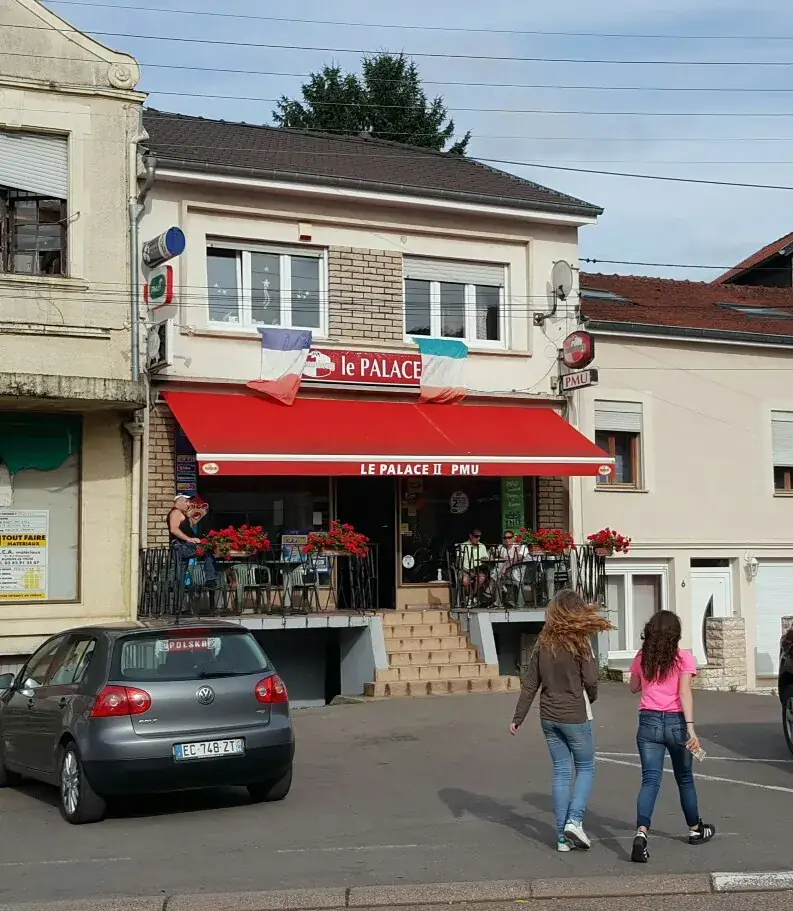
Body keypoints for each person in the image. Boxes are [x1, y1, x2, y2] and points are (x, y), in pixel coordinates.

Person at [510, 590, 612, 852]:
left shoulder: (543, 642)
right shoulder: (581, 641)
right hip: (575, 714)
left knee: (561, 772)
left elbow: (531, 683)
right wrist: (592, 695)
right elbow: (590, 679)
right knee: (587, 767)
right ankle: (575, 820)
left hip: (548, 715)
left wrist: (518, 717)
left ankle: (561, 837)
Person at [628, 610, 715, 863]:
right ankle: (695, 829)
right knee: (685, 778)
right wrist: (691, 729)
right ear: (675, 634)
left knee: (650, 780)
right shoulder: (684, 658)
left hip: (648, 722)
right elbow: (685, 693)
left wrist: (644, 679)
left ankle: (641, 833)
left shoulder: (642, 657)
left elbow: (634, 687)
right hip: (676, 722)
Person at [168, 494, 218, 588]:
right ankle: (210, 579)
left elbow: (191, 523)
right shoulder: (176, 512)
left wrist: (200, 514)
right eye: (187, 502)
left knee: (181, 568)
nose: (189, 504)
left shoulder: (181, 514)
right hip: (182, 546)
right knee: (207, 549)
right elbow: (174, 529)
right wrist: (189, 539)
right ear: (180, 502)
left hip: (183, 546)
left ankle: (175, 584)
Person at [456, 528, 490, 600]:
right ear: (470, 536)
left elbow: (486, 560)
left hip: (478, 569)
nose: (478, 538)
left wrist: (484, 560)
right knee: (465, 580)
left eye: (479, 536)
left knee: (481, 578)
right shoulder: (463, 546)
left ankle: (471, 598)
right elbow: (458, 563)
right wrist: (467, 571)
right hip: (465, 569)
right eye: (476, 536)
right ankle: (470, 597)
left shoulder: (482, 546)